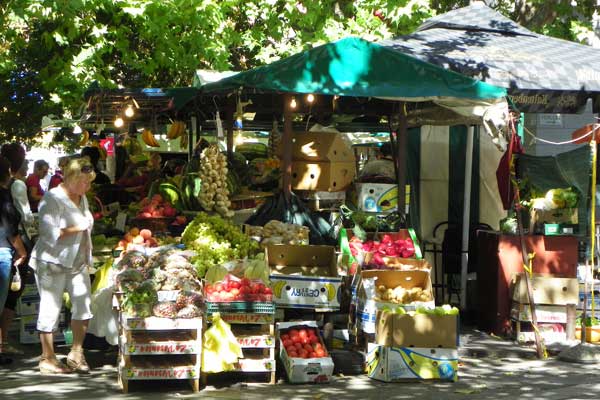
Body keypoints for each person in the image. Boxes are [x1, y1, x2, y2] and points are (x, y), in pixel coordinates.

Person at [30, 157, 96, 374]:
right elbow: (49, 234)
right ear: (72, 178)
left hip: (77, 262)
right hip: (52, 262)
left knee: (83, 305)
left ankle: (76, 352)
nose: (88, 186)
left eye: (89, 182)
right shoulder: (52, 198)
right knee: (50, 309)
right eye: (85, 181)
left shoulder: (81, 196)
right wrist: (78, 227)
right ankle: (47, 358)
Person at [0, 143, 33, 356]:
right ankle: (1, 344)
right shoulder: (12, 188)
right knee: (7, 298)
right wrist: (22, 251)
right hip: (5, 249)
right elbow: (14, 224)